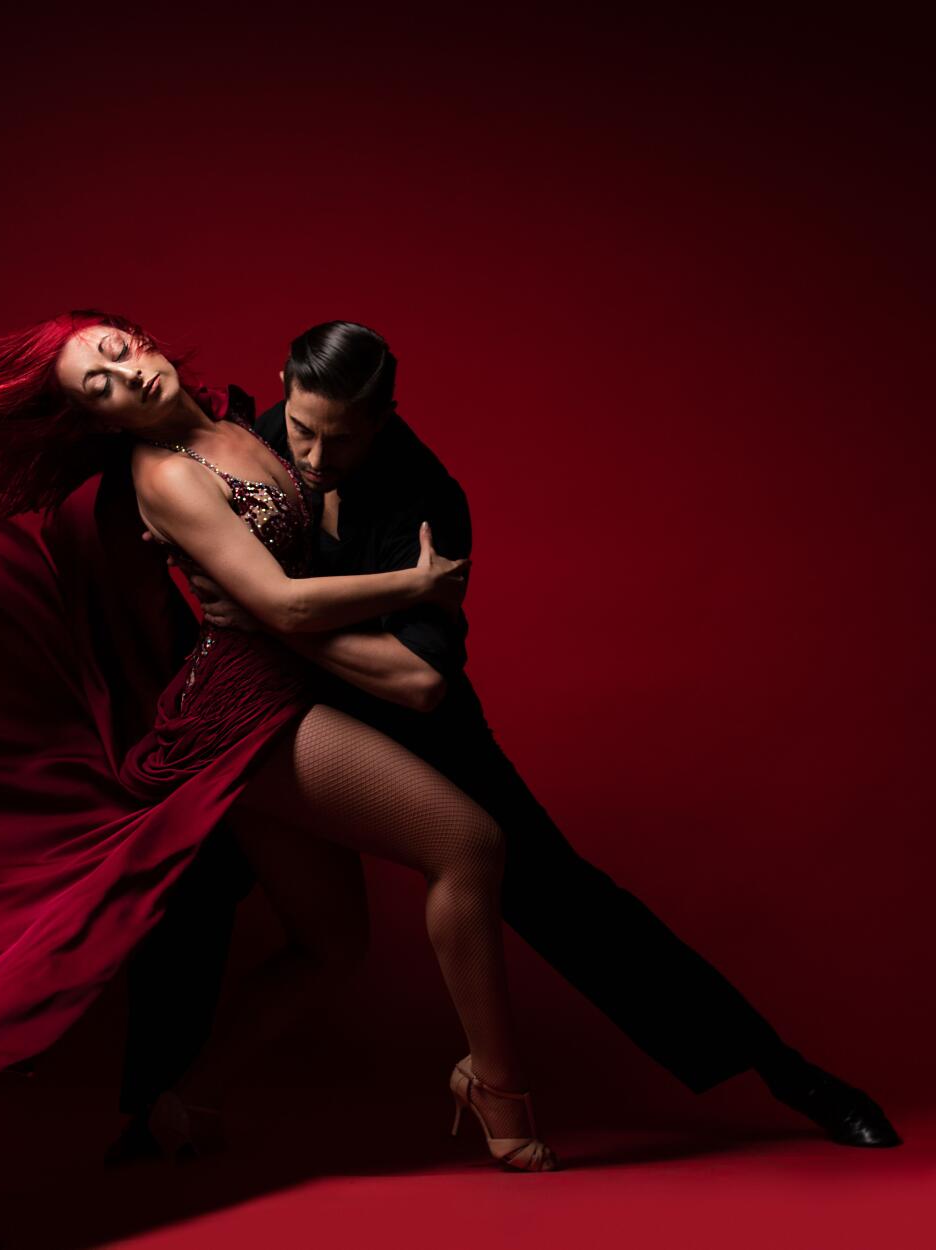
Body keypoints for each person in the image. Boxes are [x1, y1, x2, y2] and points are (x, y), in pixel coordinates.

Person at [0, 309, 559, 1173]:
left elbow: (311, 518)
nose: (122, 376)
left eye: (114, 352)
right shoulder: (167, 477)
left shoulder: (237, 422)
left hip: (274, 690)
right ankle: (498, 1090)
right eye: (96, 388)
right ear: (99, 421)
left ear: (138, 337)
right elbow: (284, 605)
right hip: (246, 714)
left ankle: (187, 1102)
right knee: (470, 844)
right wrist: (418, 583)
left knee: (330, 950)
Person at [138, 319, 901, 1154]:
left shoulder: (425, 498)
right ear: (283, 381)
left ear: (388, 414)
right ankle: (155, 1108)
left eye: (343, 439)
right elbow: (157, 470)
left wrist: (265, 611)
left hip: (412, 724)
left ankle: (788, 1074)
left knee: (568, 900)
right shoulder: (243, 437)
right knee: (188, 882)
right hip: (276, 718)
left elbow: (420, 681)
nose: (316, 457)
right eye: (303, 427)